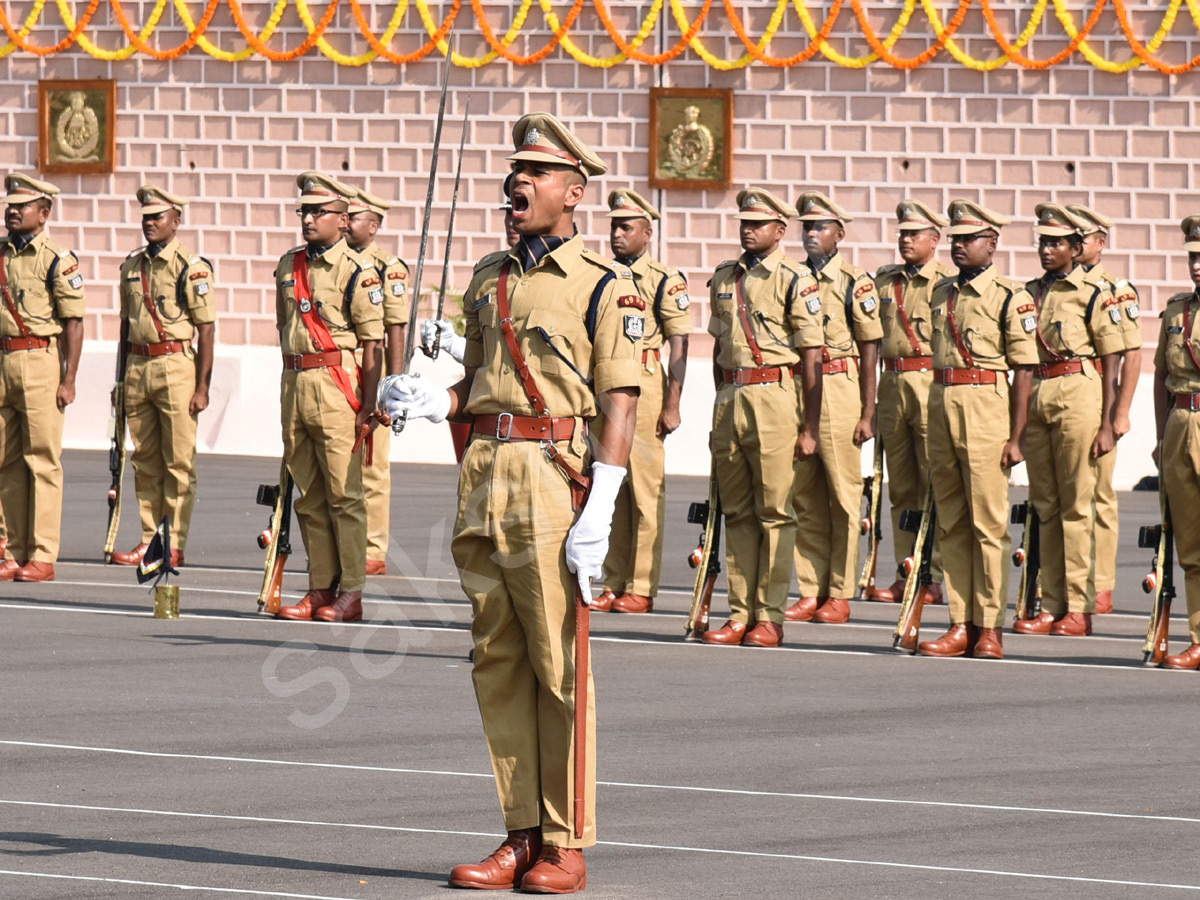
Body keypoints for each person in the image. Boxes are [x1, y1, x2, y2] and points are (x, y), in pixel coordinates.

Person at [382, 112, 640, 893]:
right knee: (497, 660)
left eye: (536, 173)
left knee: (560, 665)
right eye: (514, 171)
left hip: (554, 476)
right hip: (486, 473)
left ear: (574, 191)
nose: (516, 183)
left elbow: (620, 400)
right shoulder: (490, 276)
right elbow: (482, 379)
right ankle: (519, 832)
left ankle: (567, 842)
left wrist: (602, 507)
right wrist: (433, 398)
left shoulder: (604, 284)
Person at [701, 188, 823, 648]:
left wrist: (809, 428)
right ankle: (739, 612)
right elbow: (717, 347)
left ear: (779, 229)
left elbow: (812, 358)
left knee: (774, 511)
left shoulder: (795, 279)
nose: (748, 229)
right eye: (743, 222)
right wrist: (720, 402)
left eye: (758, 223)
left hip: (774, 394)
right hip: (732, 395)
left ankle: (769, 615)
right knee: (737, 512)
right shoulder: (723, 278)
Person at [918, 200, 1037, 660]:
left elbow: (1024, 369)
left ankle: (990, 626)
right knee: (952, 521)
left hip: (987, 402)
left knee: (987, 523)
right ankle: (959, 622)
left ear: (992, 243)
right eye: (956, 240)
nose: (960, 247)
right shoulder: (942, 292)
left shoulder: (1011, 296)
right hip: (942, 399)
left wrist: (1017, 435)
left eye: (969, 239)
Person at [273, 172, 382, 624]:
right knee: (309, 494)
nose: (309, 219)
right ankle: (320, 586)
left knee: (344, 495)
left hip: (337, 385)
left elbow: (372, 344)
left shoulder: (357, 271)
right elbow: (284, 328)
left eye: (319, 212)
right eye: (304, 211)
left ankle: (351, 591)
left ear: (342, 220)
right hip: (296, 383)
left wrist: (371, 406)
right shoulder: (287, 265)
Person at [1010, 204, 1124, 638]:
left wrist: (1109, 420)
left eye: (1056, 242)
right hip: (1037, 392)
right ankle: (1051, 602)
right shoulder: (1029, 293)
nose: (1046, 249)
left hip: (1078, 390)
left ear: (1077, 248)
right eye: (1042, 241)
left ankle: (1078, 605)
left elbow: (1112, 358)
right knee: (1045, 507)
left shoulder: (1093, 293)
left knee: (1078, 505)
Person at [593, 188, 690, 615]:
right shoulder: (600, 273)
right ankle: (613, 580)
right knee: (609, 485)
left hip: (647, 381)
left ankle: (642, 585)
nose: (617, 234)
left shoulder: (665, 279)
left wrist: (673, 403)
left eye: (625, 227)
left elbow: (679, 341)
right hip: (607, 382)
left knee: (646, 490)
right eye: (614, 226)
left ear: (647, 233)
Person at [787, 191, 881, 625]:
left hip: (838, 385)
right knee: (805, 495)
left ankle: (839, 590)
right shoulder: (790, 276)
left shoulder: (853, 282)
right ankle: (811, 587)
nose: (810, 234)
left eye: (819, 227)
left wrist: (867, 410)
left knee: (843, 495)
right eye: (806, 227)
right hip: (795, 387)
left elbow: (870, 348)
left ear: (839, 234)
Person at [109, 185, 215, 568]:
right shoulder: (132, 267)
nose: (150, 223)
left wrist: (202, 386)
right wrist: (120, 380)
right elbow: (125, 327)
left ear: (176, 221)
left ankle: (173, 541)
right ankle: (149, 537)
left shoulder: (191, 267)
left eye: (157, 217)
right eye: (145, 217)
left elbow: (206, 329)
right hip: (138, 365)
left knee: (179, 461)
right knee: (146, 459)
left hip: (175, 365)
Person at [0, 173, 85, 583]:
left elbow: (73, 323)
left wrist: (68, 379)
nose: (12, 211)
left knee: (43, 462)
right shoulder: (1, 254)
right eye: (9, 205)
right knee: (6, 463)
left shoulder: (56, 258)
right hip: (3, 361)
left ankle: (42, 553)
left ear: (44, 213)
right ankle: (12, 549)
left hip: (39, 359)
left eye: (22, 206)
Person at [870, 200, 953, 604]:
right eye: (902, 234)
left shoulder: (947, 283)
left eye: (913, 235)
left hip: (927, 381)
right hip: (892, 383)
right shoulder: (885, 281)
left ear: (934, 241)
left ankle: (934, 573)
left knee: (933, 481)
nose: (905, 240)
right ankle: (907, 569)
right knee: (901, 486)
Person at [1068, 204, 1143, 616]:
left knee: (1098, 496)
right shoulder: (1054, 285)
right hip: (1065, 395)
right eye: (1071, 238)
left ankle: (1101, 584)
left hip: (1099, 393)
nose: (1076, 245)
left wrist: (1120, 413)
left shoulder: (1115, 289)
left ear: (1101, 243)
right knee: (1066, 497)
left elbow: (1132, 355)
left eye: (1084, 238)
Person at [344, 187, 409, 576]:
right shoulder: (337, 263)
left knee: (371, 464)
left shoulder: (388, 268)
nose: (346, 223)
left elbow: (395, 328)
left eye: (354, 218)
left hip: (373, 367)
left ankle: (372, 547)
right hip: (338, 370)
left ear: (374, 225)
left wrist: (394, 383)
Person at [1153, 216, 1200, 669]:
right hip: (1183, 420)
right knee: (1190, 541)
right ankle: (1199, 636)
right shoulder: (1177, 310)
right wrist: (1160, 434)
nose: (1198, 265)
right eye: (1193, 257)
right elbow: (1162, 377)